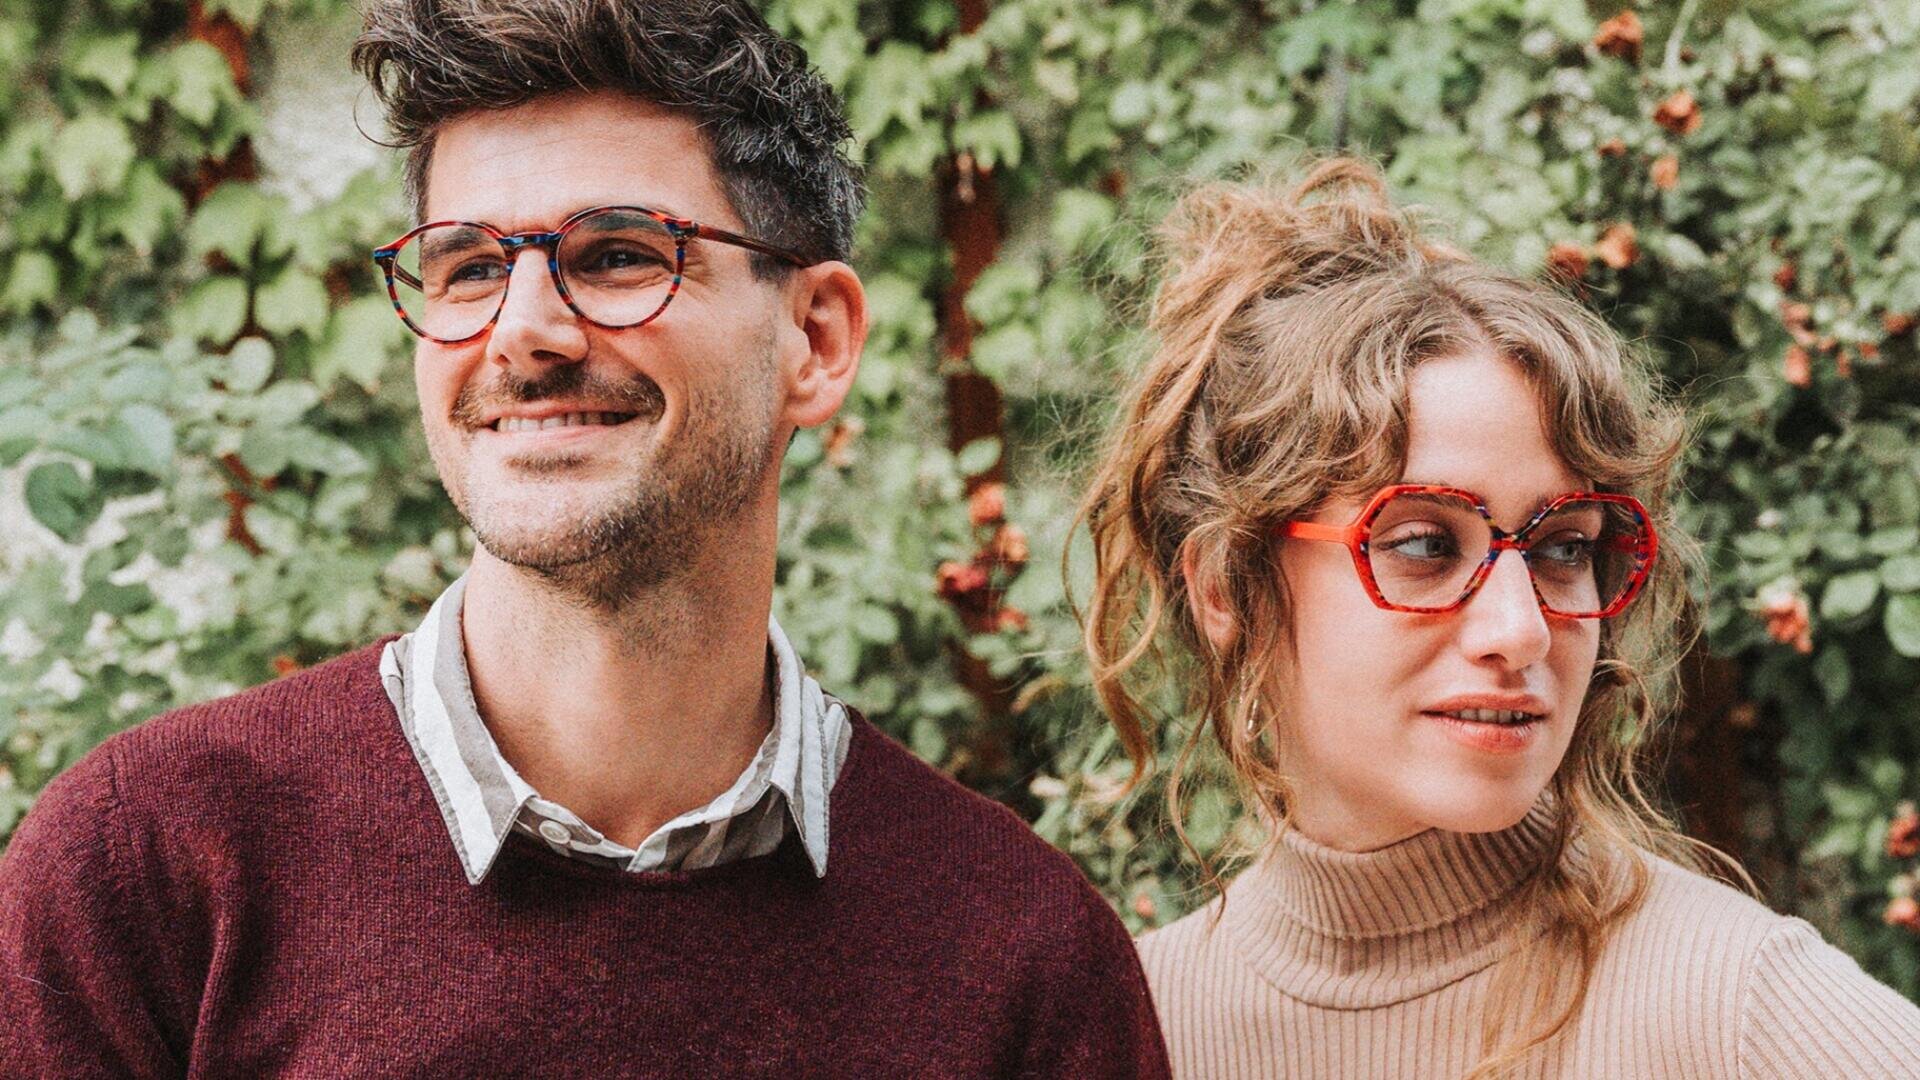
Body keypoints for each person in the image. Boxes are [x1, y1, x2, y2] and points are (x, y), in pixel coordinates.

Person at [0, 2, 1169, 1075]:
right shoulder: (145, 880)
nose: (523, 333)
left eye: (616, 254)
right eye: (465, 266)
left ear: (815, 337)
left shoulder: (1021, 959)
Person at [1079, 156, 1920, 1078]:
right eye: (1424, 545)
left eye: (1564, 549)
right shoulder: (1130, 1027)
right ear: (1224, 588)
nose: (1519, 631)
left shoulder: (1739, 1008)